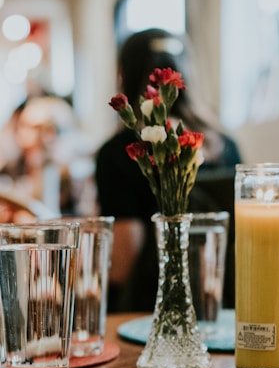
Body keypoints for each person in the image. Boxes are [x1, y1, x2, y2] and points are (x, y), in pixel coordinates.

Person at [94, 28, 242, 312]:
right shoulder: (226, 145)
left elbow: (124, 267)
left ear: (122, 75)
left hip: (150, 314)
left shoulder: (119, 153)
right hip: (224, 306)